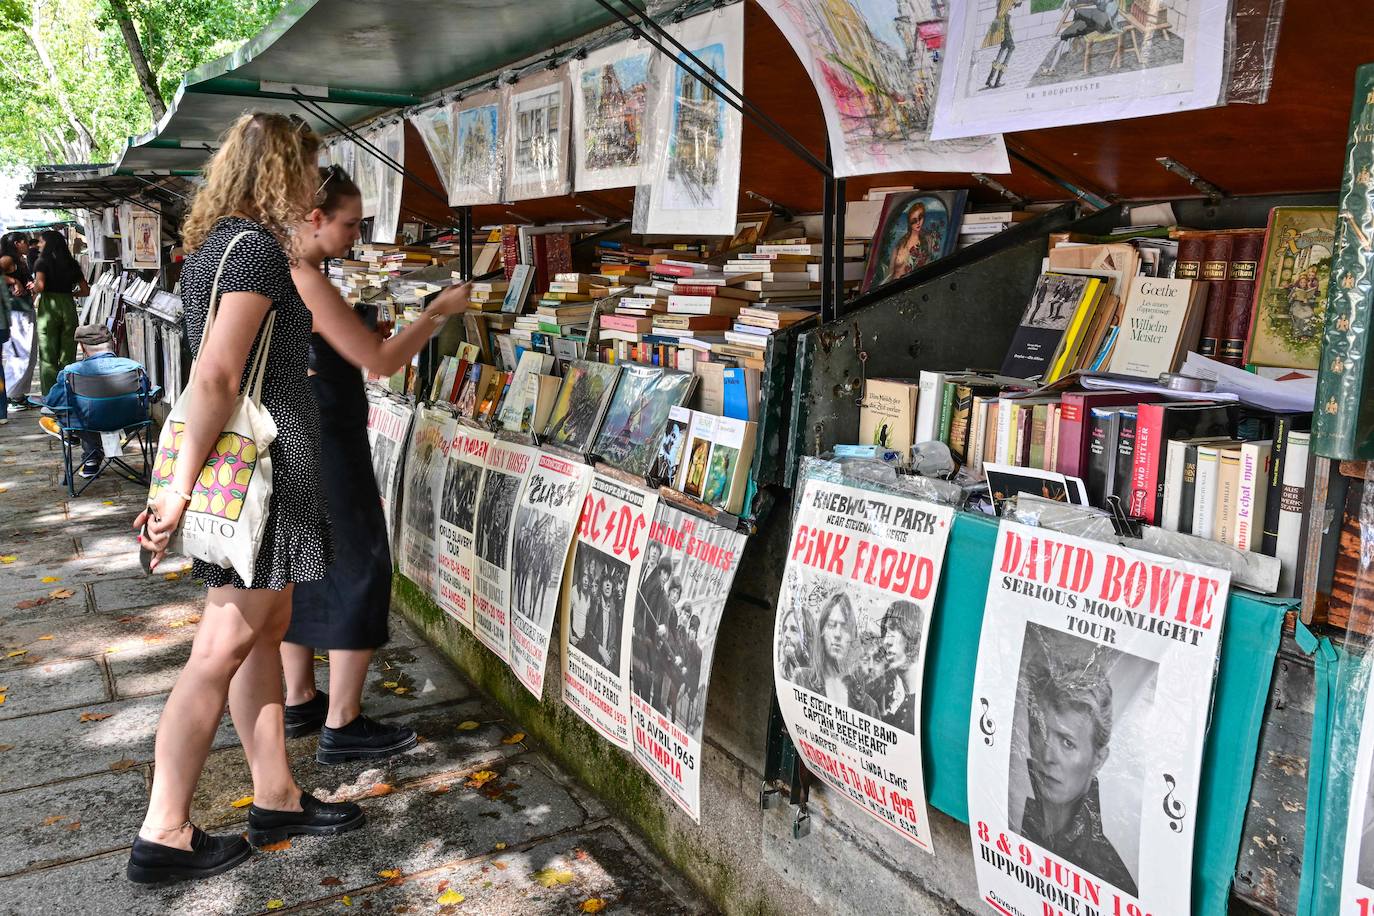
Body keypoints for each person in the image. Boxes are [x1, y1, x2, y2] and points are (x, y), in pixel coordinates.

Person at [130, 112, 361, 885]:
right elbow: (219, 377)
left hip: (268, 474)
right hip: (261, 474)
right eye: (307, 169)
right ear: (280, 171)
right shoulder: (259, 251)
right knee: (220, 648)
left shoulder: (218, 246)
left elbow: (216, 375)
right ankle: (164, 829)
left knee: (266, 630)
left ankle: (277, 794)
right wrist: (178, 490)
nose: (311, 186)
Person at [278, 166, 471, 762]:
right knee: (360, 563)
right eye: (349, 223)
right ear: (314, 218)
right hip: (327, 440)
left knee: (298, 568)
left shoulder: (267, 267)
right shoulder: (306, 277)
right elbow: (381, 362)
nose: (355, 237)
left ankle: (300, 700)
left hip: (290, 438)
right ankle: (343, 720)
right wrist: (437, 312)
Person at [1018, 661, 1137, 897]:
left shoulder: (1110, 878)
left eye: (1067, 742)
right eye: (1039, 730)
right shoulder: (1013, 810)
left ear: (1098, 760)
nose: (1047, 755)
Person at [38, 325, 147, 477]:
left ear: (82, 347)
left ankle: (83, 451)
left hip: (87, 426)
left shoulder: (71, 372)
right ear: (112, 342)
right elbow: (147, 394)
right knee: (97, 409)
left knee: (81, 411)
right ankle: (91, 459)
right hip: (129, 424)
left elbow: (52, 402)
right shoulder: (135, 368)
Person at [32, 229, 89, 397]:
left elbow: (40, 286)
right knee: (68, 352)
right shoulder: (71, 263)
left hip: (49, 306)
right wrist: (71, 294)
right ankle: (67, 392)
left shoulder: (42, 262)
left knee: (48, 353)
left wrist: (33, 287)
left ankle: (50, 395)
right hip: (68, 306)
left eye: (41, 241)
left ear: (48, 243)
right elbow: (86, 290)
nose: (39, 245)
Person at [795, 593, 865, 711]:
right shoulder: (801, 679)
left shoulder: (869, 706)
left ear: (853, 636)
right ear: (822, 632)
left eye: (845, 627)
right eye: (831, 625)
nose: (837, 634)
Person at [865, 600, 923, 732]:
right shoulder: (898, 705)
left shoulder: (921, 708)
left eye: (895, 629)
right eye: (885, 632)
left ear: (914, 636)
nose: (886, 641)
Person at [1, 245, 38, 410]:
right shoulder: (7, 259)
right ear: (17, 243)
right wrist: (14, 281)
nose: (28, 245)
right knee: (19, 352)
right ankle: (11, 395)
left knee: (28, 354)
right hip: (16, 311)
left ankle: (18, 394)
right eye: (24, 241)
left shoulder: (19, 260)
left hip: (23, 309)